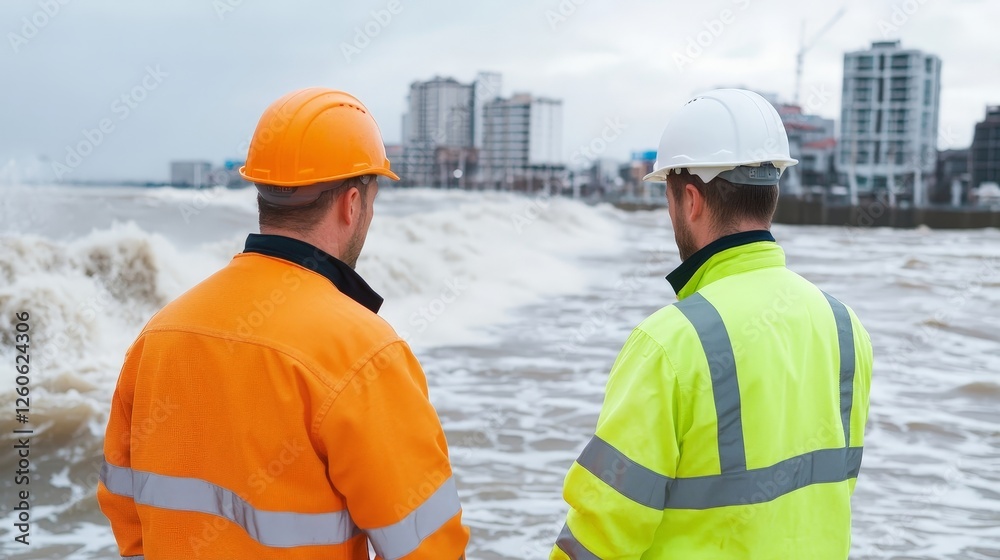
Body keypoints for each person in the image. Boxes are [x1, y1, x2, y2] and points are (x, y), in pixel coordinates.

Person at [98, 88, 469, 559]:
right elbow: (426, 549)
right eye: (371, 200)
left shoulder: (159, 336)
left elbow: (126, 513)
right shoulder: (364, 354)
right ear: (352, 204)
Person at [551, 89, 873, 559]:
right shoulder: (845, 328)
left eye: (668, 197)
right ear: (772, 193)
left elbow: (603, 532)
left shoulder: (668, 344)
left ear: (691, 199)